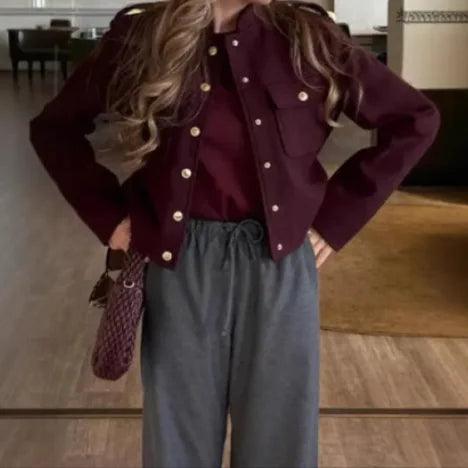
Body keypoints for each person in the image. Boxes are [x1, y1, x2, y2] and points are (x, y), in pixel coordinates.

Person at [29, 0, 441, 466]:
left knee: (280, 444)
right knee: (176, 445)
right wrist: (112, 220)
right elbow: (54, 130)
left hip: (279, 265)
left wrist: (335, 220)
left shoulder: (310, 38)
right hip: (180, 266)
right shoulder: (142, 37)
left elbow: (415, 120)